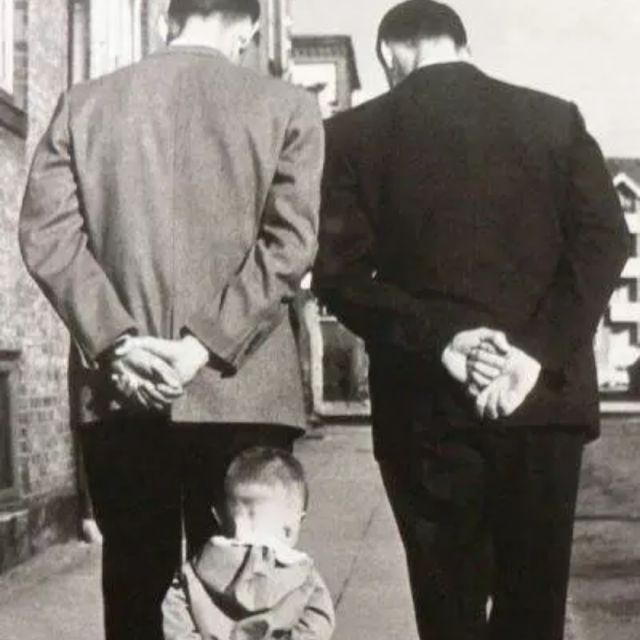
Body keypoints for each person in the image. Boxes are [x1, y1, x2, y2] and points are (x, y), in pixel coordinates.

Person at [313, 2, 630, 639]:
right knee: (534, 614)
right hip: (541, 405)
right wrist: (532, 353)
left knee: (448, 614)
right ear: (462, 45)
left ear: (388, 54)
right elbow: (606, 241)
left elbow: (339, 276)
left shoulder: (352, 134)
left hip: (427, 410)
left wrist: (445, 341)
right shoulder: (555, 119)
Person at [18, 0, 324, 637]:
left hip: (121, 394)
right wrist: (201, 348)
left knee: (136, 586)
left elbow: (48, 235)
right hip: (245, 390)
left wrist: (117, 342)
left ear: (166, 17)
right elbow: (290, 246)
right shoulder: (288, 107)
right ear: (248, 25)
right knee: (248, 596)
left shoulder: (84, 104)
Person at [163, 447, 335, 640]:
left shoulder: (192, 574)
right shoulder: (305, 578)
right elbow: (317, 626)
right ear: (290, 527)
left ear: (220, 517)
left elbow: (176, 624)